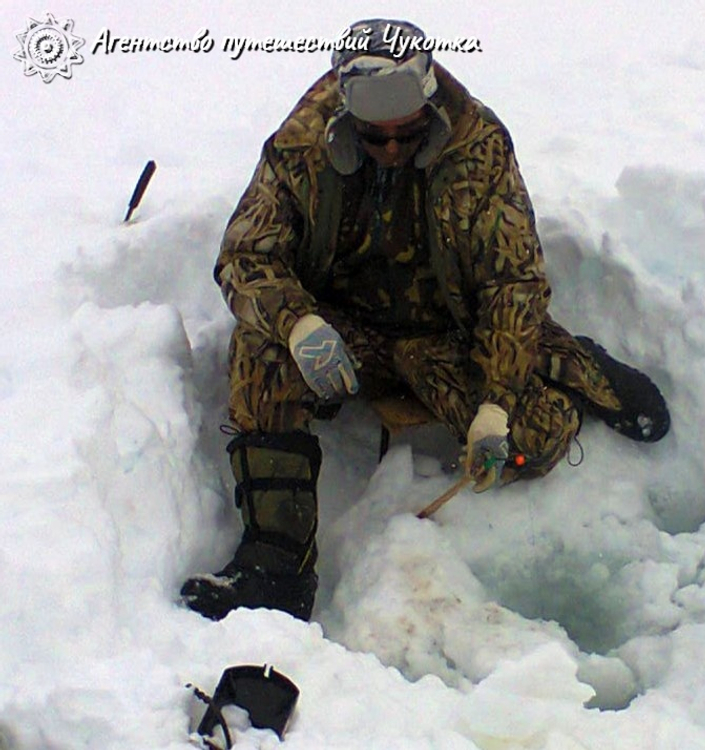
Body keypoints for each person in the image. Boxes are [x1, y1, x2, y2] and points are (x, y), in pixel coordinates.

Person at [181, 19, 670, 622]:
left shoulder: (479, 145)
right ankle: (276, 565)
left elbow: (511, 281)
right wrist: (299, 325)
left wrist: (495, 403)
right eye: (374, 138)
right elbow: (246, 256)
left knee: (529, 443)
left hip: (445, 327)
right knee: (259, 354)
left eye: (405, 137)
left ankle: (571, 360)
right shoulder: (301, 144)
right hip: (340, 328)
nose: (390, 149)